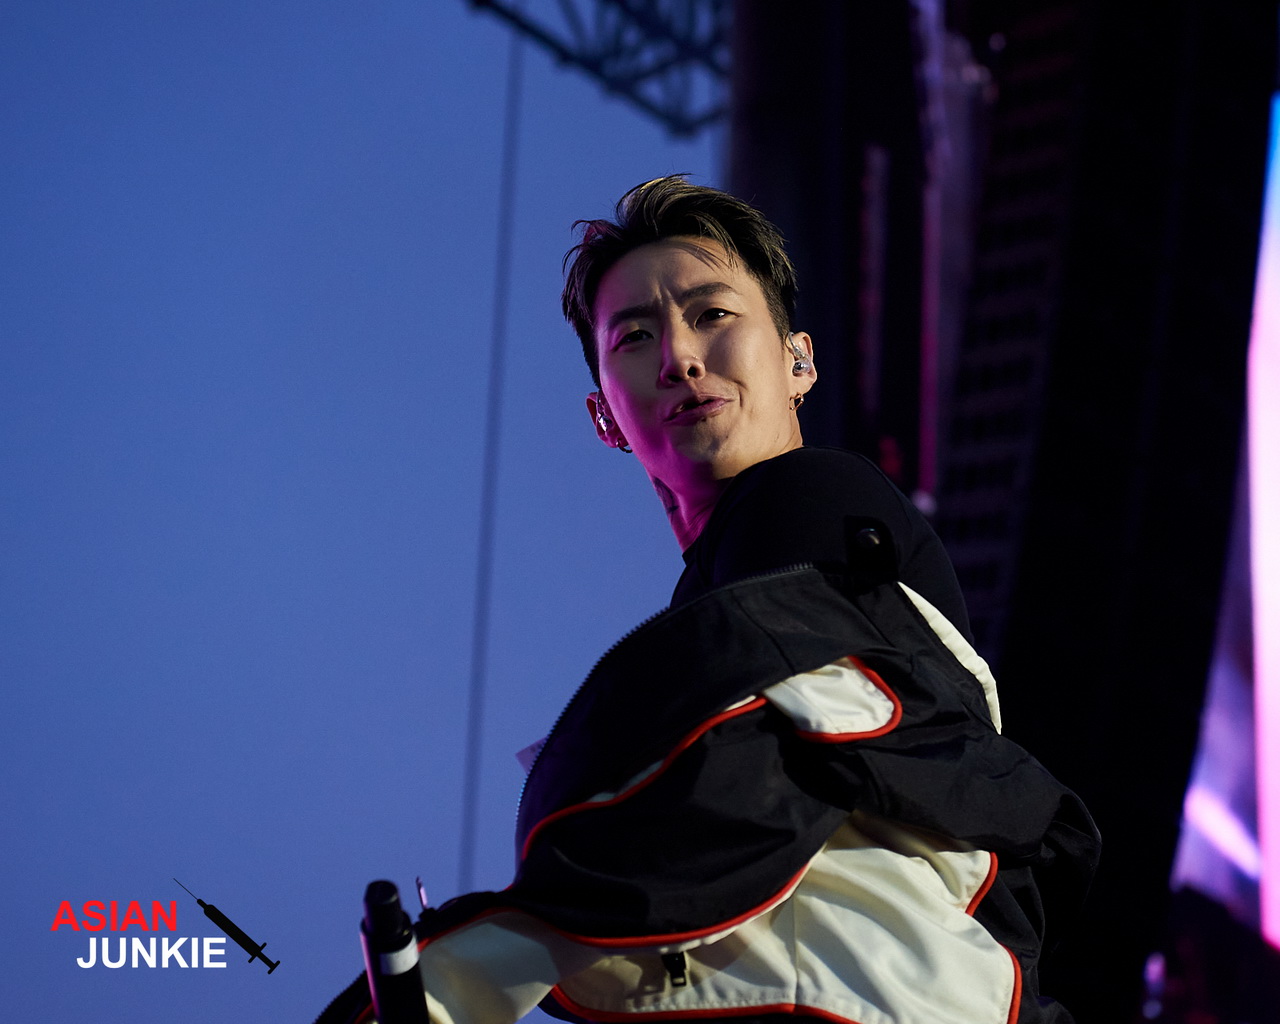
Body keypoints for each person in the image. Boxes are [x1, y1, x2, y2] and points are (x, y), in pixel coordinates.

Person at [316, 177, 1099, 1024]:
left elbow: (744, 767)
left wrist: (481, 958)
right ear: (605, 417)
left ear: (799, 362)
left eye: (713, 314)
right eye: (636, 336)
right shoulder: (715, 603)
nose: (680, 358)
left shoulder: (811, 496)